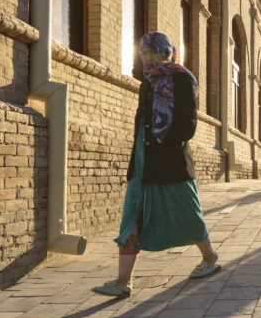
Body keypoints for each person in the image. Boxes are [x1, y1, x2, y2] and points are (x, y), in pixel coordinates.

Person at [92, 33, 220, 299]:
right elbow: (142, 124)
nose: (147, 59)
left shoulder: (182, 78)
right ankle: (123, 282)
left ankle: (209, 256)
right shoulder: (146, 83)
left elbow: (188, 125)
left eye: (152, 53)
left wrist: (166, 147)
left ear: (166, 52)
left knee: (187, 215)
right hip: (142, 163)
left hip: (171, 164)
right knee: (131, 218)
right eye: (143, 54)